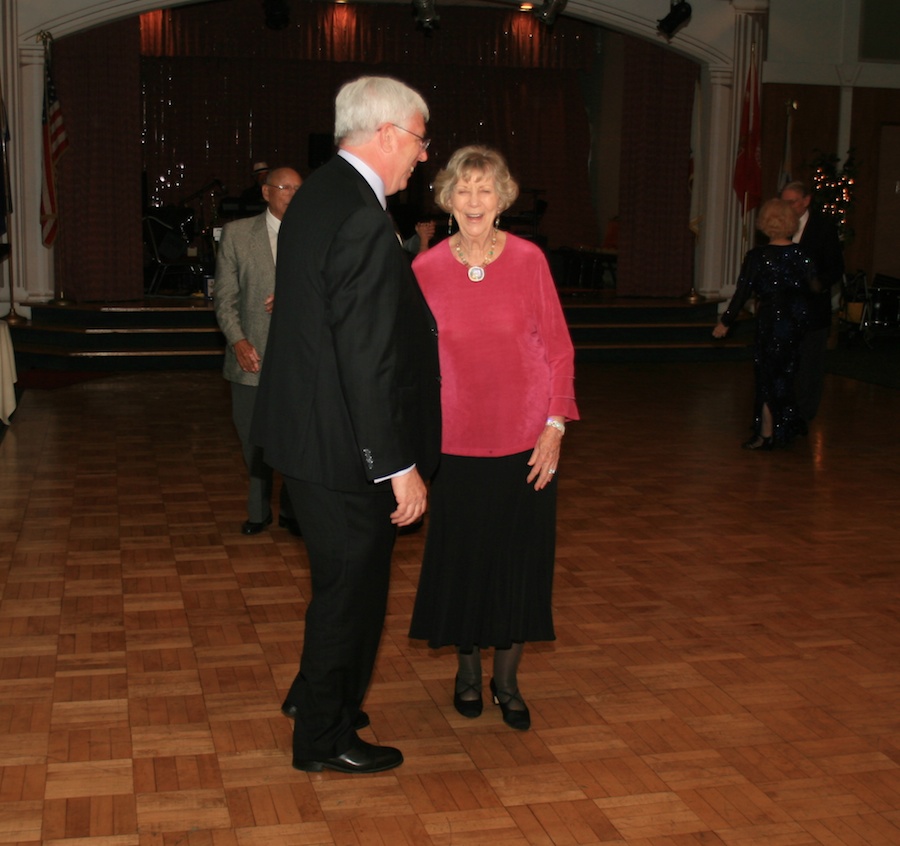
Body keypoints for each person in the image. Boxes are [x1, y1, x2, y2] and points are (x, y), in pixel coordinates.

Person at [250, 76, 440, 774]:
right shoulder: (357, 212)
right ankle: (324, 739)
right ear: (388, 134)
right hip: (341, 447)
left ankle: (314, 698)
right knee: (349, 597)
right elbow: (365, 354)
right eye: (420, 141)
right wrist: (397, 465)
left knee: (338, 586)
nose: (423, 156)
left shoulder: (323, 195)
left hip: (309, 434)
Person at [408, 145, 579, 731]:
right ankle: (464, 673)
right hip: (453, 443)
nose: (474, 201)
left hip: (525, 443)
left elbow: (558, 348)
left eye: (485, 190)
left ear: (503, 198)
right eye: (463, 189)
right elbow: (407, 360)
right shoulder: (425, 269)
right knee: (463, 563)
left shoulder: (530, 260)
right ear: (447, 199)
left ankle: (506, 681)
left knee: (517, 564)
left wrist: (554, 426)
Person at [214, 166, 304, 536]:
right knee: (253, 439)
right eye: (285, 187)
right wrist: (237, 340)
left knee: (298, 438)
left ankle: (293, 511)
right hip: (251, 354)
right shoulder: (238, 234)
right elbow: (224, 297)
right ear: (266, 193)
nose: (293, 194)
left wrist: (294, 299)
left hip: (300, 358)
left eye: (299, 188)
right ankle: (258, 510)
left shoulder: (316, 233)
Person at [713, 197, 819, 450]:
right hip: (793, 322)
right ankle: (782, 427)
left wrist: (725, 321)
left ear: (765, 223)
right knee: (784, 374)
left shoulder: (758, 257)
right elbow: (814, 287)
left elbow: (742, 292)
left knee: (767, 375)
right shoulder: (801, 255)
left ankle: (768, 432)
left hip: (771, 320)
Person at [780, 181, 845, 423]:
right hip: (783, 308)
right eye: (783, 202)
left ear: (806, 201)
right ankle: (783, 410)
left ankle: (804, 415)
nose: (786, 207)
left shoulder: (823, 227)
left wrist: (816, 284)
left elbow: (836, 267)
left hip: (812, 309)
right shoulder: (777, 224)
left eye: (792, 202)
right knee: (785, 363)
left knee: (810, 366)